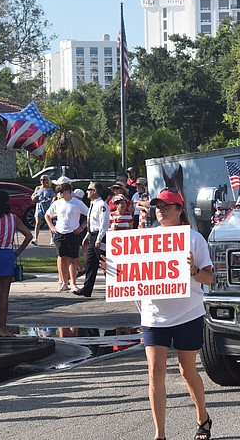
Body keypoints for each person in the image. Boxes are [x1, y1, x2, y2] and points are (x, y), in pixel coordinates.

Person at [106, 188, 214, 440]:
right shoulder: (145, 238)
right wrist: (113, 270)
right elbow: (130, 275)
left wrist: (193, 269)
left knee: (187, 371)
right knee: (155, 373)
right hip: (154, 315)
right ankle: (160, 434)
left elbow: (208, 279)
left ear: (179, 210)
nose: (160, 210)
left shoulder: (194, 239)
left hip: (187, 313)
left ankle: (203, 418)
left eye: (167, 206)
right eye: (157, 206)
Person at [0, 190, 32, 337]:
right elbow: (29, 235)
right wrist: (18, 252)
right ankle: (2, 328)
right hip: (6, 255)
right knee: (3, 295)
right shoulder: (13, 218)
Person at [44, 181, 88, 293]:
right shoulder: (57, 203)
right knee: (62, 258)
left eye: (61, 192)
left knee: (73, 258)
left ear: (68, 191)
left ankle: (73, 283)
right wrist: (52, 227)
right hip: (60, 233)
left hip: (73, 233)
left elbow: (89, 214)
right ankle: (64, 282)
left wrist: (82, 227)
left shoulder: (77, 203)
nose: (60, 194)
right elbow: (47, 215)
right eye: (58, 192)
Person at [73, 182, 109, 298]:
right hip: (92, 236)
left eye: (89, 189)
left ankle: (113, 287)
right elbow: (91, 223)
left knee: (105, 263)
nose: (87, 191)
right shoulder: (92, 204)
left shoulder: (102, 205)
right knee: (90, 264)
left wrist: (99, 239)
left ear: (95, 191)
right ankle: (87, 289)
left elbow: (103, 224)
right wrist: (87, 236)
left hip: (100, 236)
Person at [31, 175, 54, 245]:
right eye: (41, 180)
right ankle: (35, 239)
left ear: (47, 180)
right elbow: (32, 198)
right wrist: (35, 196)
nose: (42, 181)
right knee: (37, 223)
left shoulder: (49, 189)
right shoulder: (38, 188)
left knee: (49, 223)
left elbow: (53, 197)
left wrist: (51, 200)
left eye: (43, 180)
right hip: (39, 206)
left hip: (47, 206)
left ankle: (52, 239)